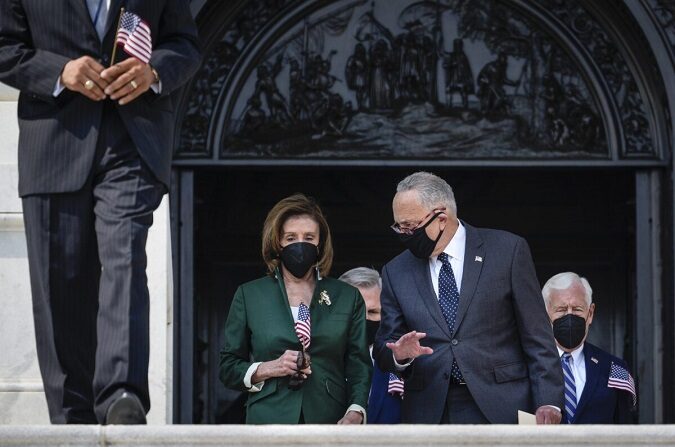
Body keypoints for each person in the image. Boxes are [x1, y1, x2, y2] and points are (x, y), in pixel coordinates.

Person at [0, 1, 201, 424]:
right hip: (53, 143)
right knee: (61, 282)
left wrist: (155, 72)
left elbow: (184, 42)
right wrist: (59, 72)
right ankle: (72, 413)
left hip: (133, 140)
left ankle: (120, 396)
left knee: (124, 255)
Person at [374, 171, 563, 424]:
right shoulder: (396, 271)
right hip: (430, 412)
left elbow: (537, 336)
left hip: (501, 405)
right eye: (399, 226)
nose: (403, 234)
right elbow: (384, 346)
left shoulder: (507, 251)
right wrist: (400, 355)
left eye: (411, 226)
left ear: (441, 218)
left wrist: (548, 401)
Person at [220, 194, 372, 424]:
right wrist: (270, 368)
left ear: (320, 243)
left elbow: (359, 364)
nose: (300, 244)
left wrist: (356, 410)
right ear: (277, 242)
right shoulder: (249, 295)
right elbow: (228, 367)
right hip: (269, 420)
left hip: (330, 418)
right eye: (291, 237)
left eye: (309, 237)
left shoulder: (347, 296)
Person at [542, 272, 636, 424]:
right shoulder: (527, 367)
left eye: (577, 309)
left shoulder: (615, 369)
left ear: (590, 313)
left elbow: (626, 432)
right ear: (546, 315)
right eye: (561, 310)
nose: (570, 316)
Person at [339, 267, 402, 424]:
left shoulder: (399, 362)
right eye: (356, 312)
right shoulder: (320, 360)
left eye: (373, 312)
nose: (364, 320)